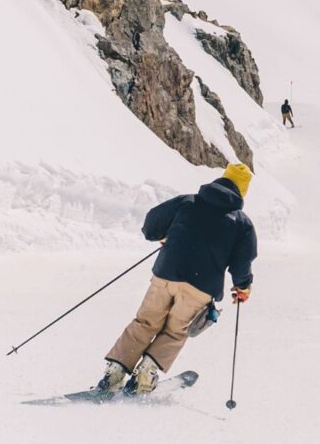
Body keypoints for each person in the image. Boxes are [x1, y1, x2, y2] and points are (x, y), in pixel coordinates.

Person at [99, 163, 257, 394]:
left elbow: (152, 223)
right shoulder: (242, 223)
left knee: (145, 322)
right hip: (201, 287)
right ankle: (145, 376)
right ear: (242, 191)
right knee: (175, 331)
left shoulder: (188, 201)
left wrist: (163, 235)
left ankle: (115, 372)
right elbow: (242, 263)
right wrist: (243, 286)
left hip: (166, 273)